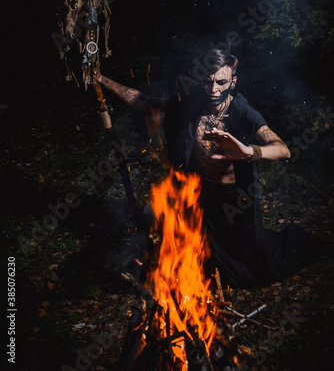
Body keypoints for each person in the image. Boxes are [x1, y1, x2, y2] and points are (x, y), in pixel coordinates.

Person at [98, 48, 315, 287]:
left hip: (230, 201)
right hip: (196, 193)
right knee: (155, 215)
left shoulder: (242, 111)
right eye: (208, 82)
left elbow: (283, 149)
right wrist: (100, 79)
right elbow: (145, 102)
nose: (213, 90)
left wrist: (248, 151)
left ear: (233, 81)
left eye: (221, 82)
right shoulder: (190, 103)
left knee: (247, 275)